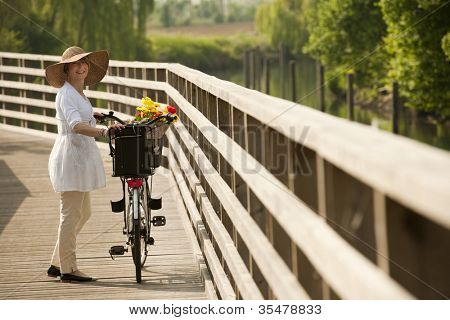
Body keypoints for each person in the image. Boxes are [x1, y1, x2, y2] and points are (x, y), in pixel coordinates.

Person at [45, 46, 124, 282]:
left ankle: (56, 263)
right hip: (71, 158)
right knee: (70, 214)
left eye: (84, 63)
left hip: (78, 157)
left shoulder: (78, 93)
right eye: (76, 64)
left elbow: (80, 117)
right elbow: (75, 125)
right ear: (66, 70)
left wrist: (93, 115)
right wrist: (103, 130)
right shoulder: (66, 94)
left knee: (84, 212)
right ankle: (68, 269)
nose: (81, 67)